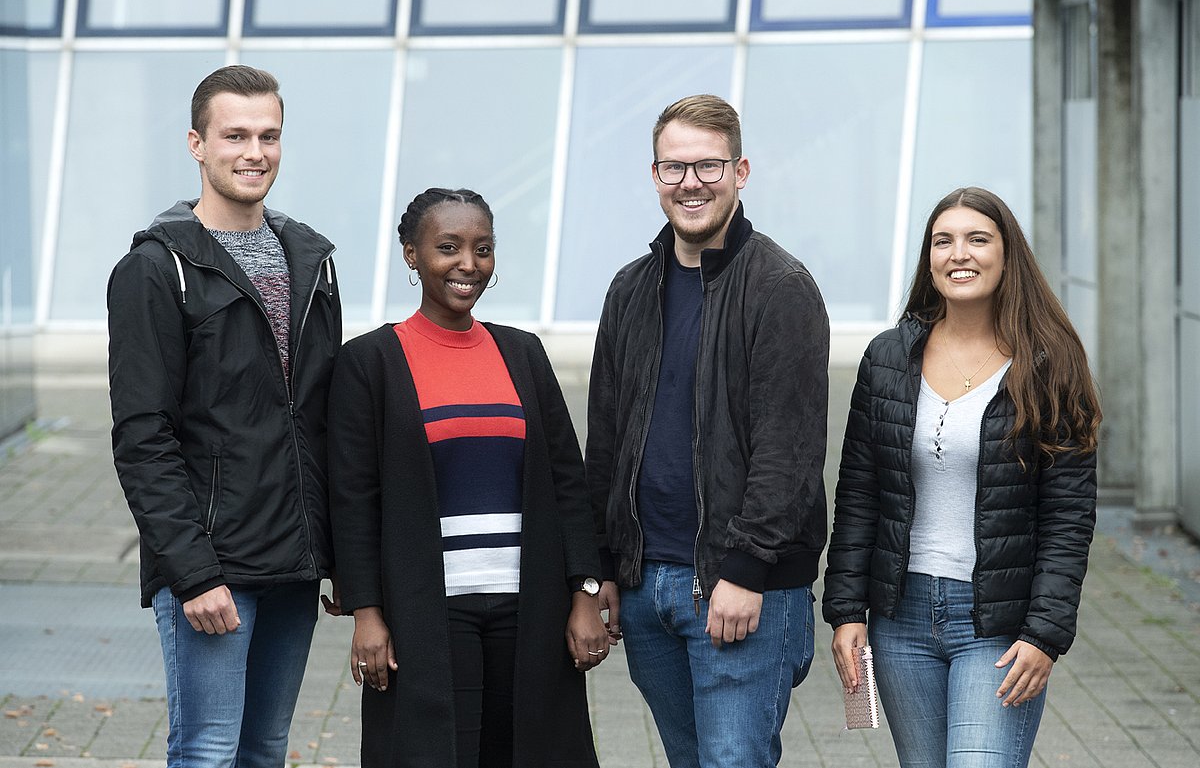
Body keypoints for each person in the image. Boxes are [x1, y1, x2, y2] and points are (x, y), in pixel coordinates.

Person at [585, 94, 830, 768]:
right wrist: (603, 566)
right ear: (655, 175)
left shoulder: (780, 287)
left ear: (741, 170)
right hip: (646, 589)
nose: (690, 182)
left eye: (708, 165)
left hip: (737, 587)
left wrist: (746, 568)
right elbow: (604, 438)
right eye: (674, 167)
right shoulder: (630, 290)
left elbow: (792, 448)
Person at [107, 64, 342, 767]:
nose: (254, 152)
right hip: (214, 563)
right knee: (207, 749)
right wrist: (193, 572)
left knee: (264, 749)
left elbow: (325, 418)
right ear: (196, 144)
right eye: (235, 134)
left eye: (268, 135)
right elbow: (141, 435)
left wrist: (336, 558)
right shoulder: (157, 268)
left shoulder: (312, 259)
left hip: (294, 560)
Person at [327, 188, 609, 768]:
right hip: (425, 609)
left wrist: (584, 594)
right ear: (411, 255)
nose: (468, 265)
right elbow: (353, 499)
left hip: (530, 607)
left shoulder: (523, 353)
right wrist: (367, 613)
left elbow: (567, 481)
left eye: (483, 249)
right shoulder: (371, 362)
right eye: (448, 247)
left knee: (528, 752)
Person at [822, 186, 1102, 768]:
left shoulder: (1050, 362)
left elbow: (1068, 517)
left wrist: (1045, 633)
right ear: (928, 258)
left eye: (978, 239)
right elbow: (858, 498)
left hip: (997, 624)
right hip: (900, 619)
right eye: (943, 241)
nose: (959, 254)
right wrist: (847, 613)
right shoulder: (888, 359)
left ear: (1007, 256)